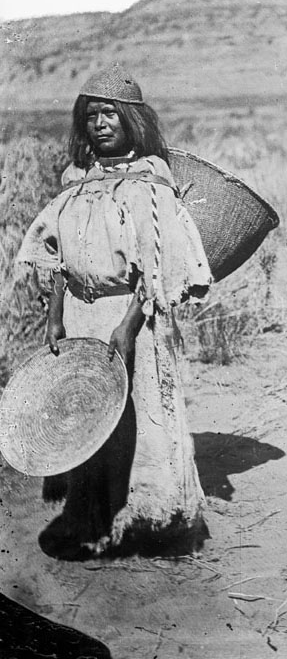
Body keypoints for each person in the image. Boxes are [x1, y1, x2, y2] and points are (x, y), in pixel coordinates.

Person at [17, 64, 213, 559]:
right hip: (81, 316)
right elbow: (59, 256)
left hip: (132, 318)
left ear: (132, 121)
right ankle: (90, 519)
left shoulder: (150, 184)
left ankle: (144, 521)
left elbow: (152, 267)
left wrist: (127, 327)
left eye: (111, 114)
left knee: (136, 418)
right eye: (92, 115)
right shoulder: (76, 182)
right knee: (87, 419)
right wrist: (55, 314)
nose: (100, 124)